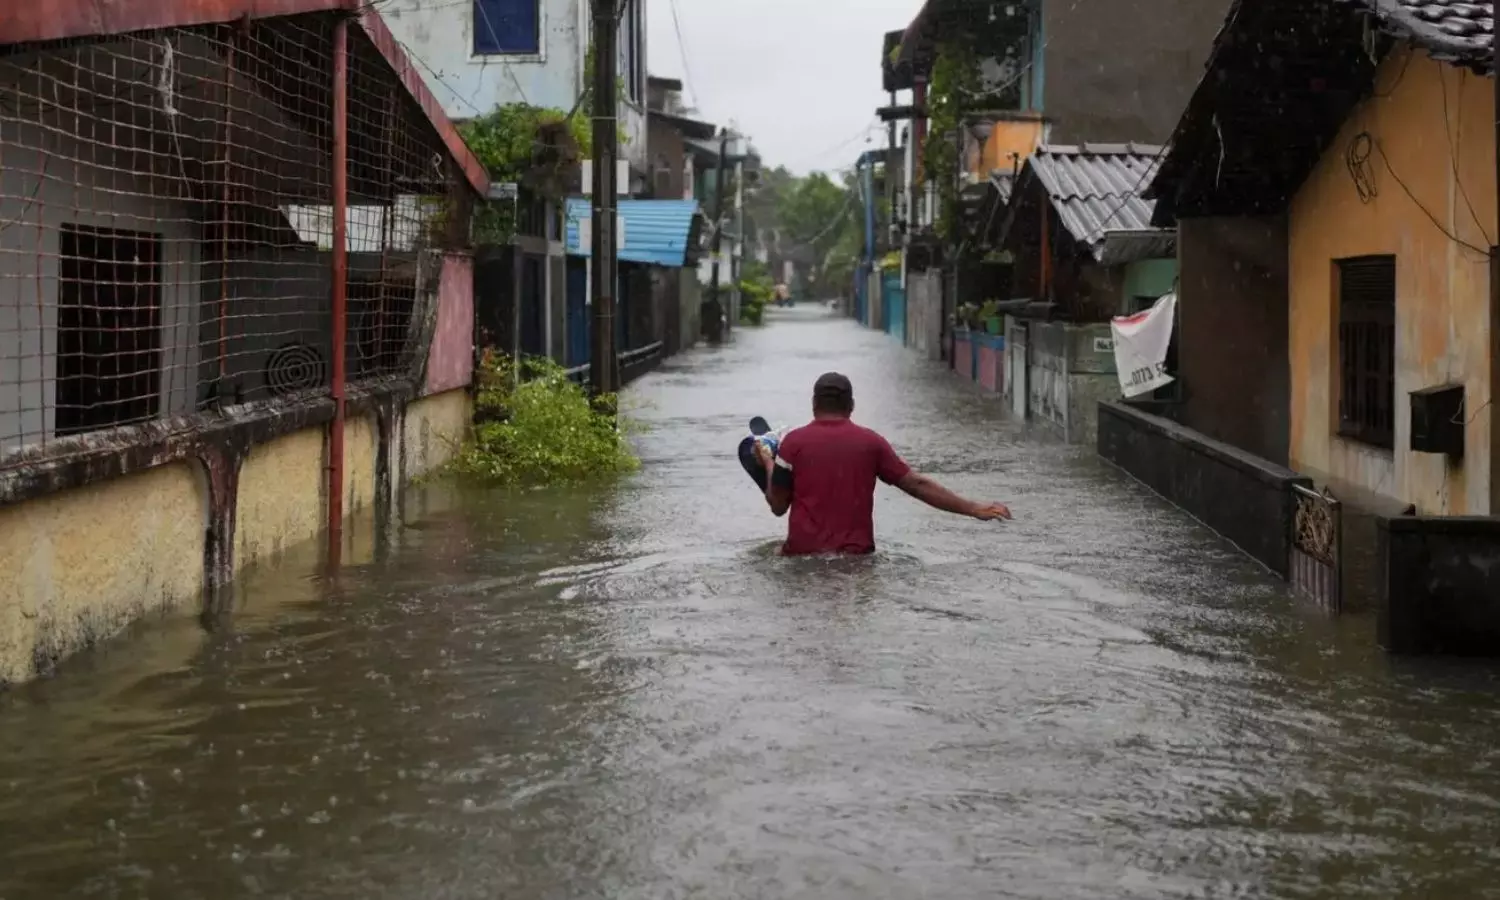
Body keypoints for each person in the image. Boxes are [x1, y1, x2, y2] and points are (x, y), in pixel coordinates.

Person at [757, 372, 1011, 556]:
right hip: (857, 560)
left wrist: (768, 462)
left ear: (814, 404)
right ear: (851, 405)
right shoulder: (871, 443)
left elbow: (778, 506)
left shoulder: (793, 444)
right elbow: (917, 485)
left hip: (802, 558)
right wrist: (974, 508)